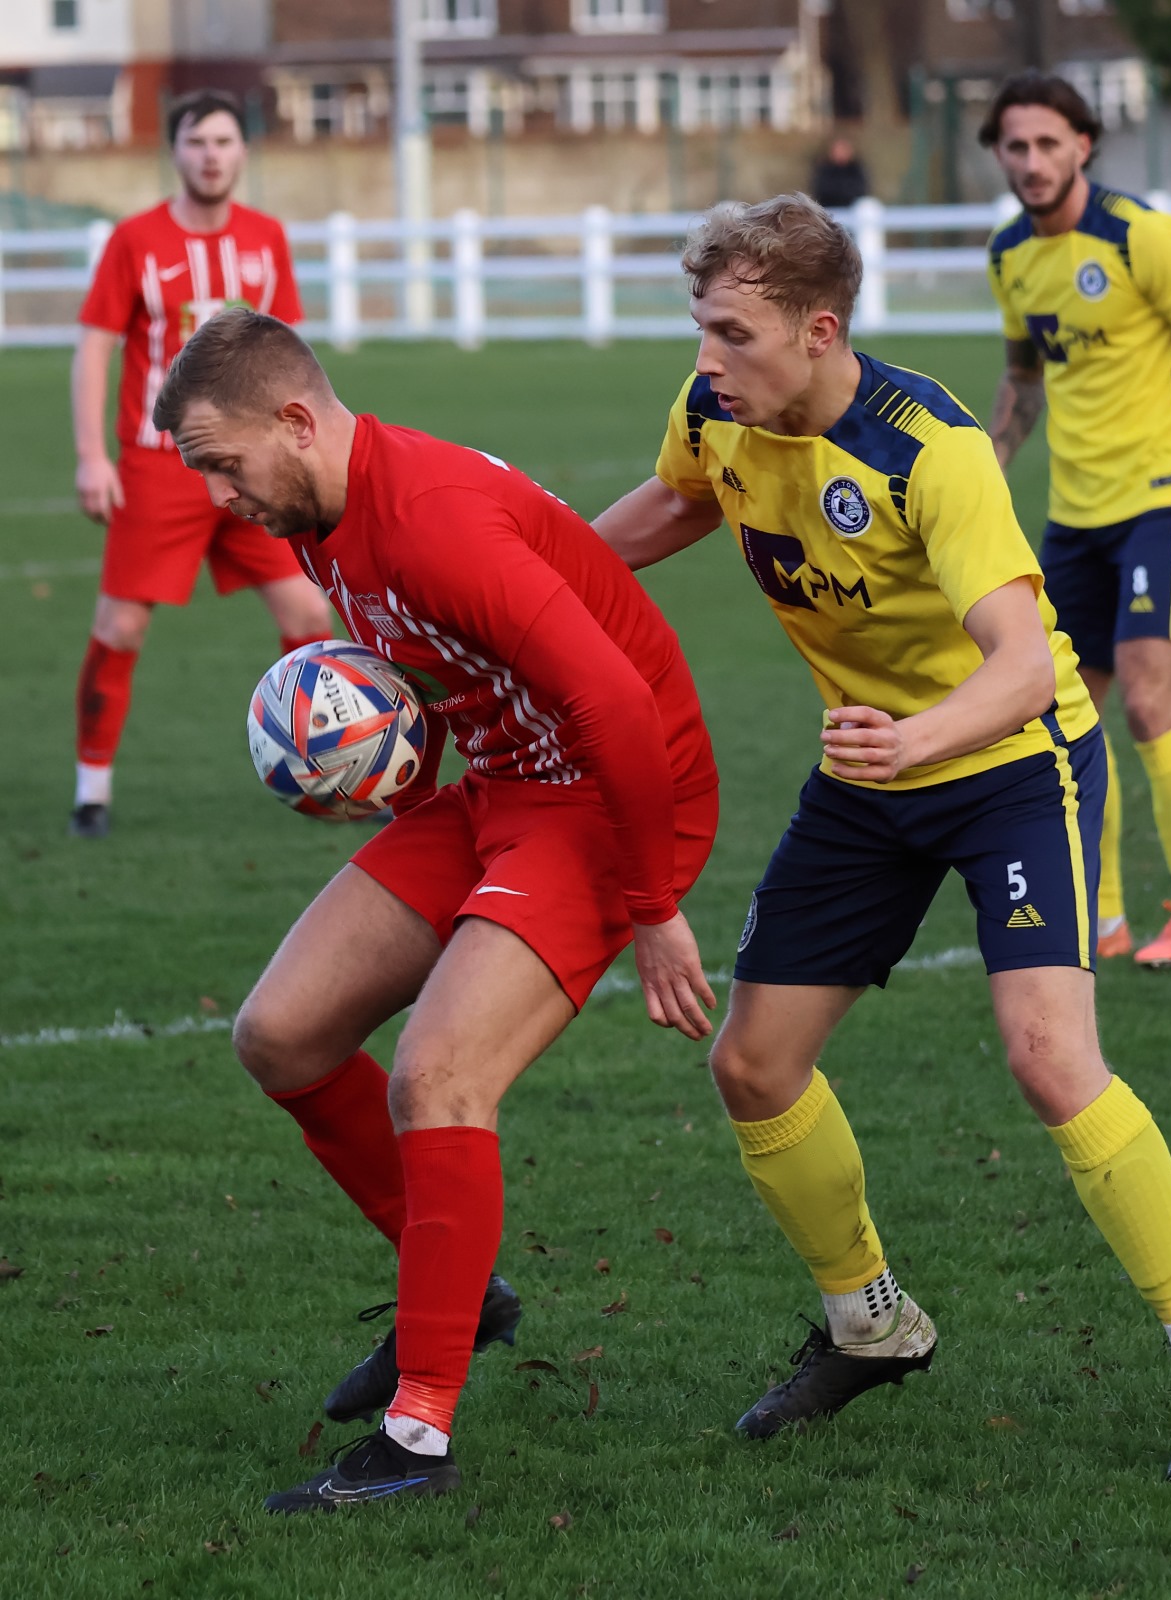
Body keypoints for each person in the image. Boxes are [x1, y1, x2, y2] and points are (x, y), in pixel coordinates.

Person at [593, 193, 1171, 1483]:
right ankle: (872, 1322)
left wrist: (919, 739)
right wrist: (541, 565)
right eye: (700, 328)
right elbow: (675, 507)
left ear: (819, 329)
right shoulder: (714, 418)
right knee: (752, 1065)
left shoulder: (928, 448)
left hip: (1011, 762)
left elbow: (1021, 666)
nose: (705, 359)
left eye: (732, 332)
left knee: (1048, 1056)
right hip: (870, 774)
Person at [152, 307, 719, 1514]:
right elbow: (452, 675)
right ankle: (453, 1283)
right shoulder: (321, 519)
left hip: (615, 800)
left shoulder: (433, 520)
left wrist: (653, 903)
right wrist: (375, 759)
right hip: (508, 783)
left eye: (222, 460)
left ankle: (417, 1434)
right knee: (283, 1033)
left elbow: (616, 703)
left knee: (438, 1075)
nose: (219, 492)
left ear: (296, 421)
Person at [979, 72, 1171, 966]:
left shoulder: (1138, 236)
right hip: (1072, 519)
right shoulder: (1009, 255)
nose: (1033, 162)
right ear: (998, 154)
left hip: (1161, 501)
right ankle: (1105, 918)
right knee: (1067, 720)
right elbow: (1024, 380)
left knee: (1152, 707)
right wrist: (988, 467)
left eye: (1049, 144)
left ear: (1084, 145)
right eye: (1017, 146)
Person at [70, 88, 331, 839]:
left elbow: (290, 356)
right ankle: (92, 792)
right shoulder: (135, 241)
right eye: (196, 142)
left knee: (309, 612)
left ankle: (320, 779)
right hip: (158, 466)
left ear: (241, 151)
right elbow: (94, 345)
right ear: (176, 152)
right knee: (120, 626)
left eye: (223, 141)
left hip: (256, 466)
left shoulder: (265, 238)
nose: (211, 156)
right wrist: (93, 454)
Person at [811, 136, 870, 211]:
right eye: (838, 150)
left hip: (852, 209)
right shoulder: (824, 169)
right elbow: (821, 190)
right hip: (829, 208)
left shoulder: (856, 168)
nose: (840, 154)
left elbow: (862, 189)